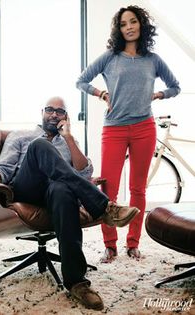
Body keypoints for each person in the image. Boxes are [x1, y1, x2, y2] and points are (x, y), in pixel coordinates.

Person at [0, 96, 139, 310]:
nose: (54, 114)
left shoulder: (68, 141)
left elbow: (84, 173)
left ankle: (76, 282)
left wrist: (69, 137)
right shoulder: (22, 136)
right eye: (50, 110)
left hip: (55, 193)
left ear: (65, 117)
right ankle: (105, 207)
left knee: (62, 189)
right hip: (27, 190)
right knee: (40, 146)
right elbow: (5, 167)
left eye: (60, 111)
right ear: (42, 111)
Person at [76, 5, 181, 262]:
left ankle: (133, 243)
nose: (129, 27)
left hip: (144, 128)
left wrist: (160, 94)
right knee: (107, 191)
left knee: (138, 189)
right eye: (124, 24)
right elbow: (81, 81)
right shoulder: (110, 57)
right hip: (114, 129)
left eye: (133, 22)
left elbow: (175, 86)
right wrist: (100, 93)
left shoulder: (153, 60)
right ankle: (109, 245)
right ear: (119, 29)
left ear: (141, 25)